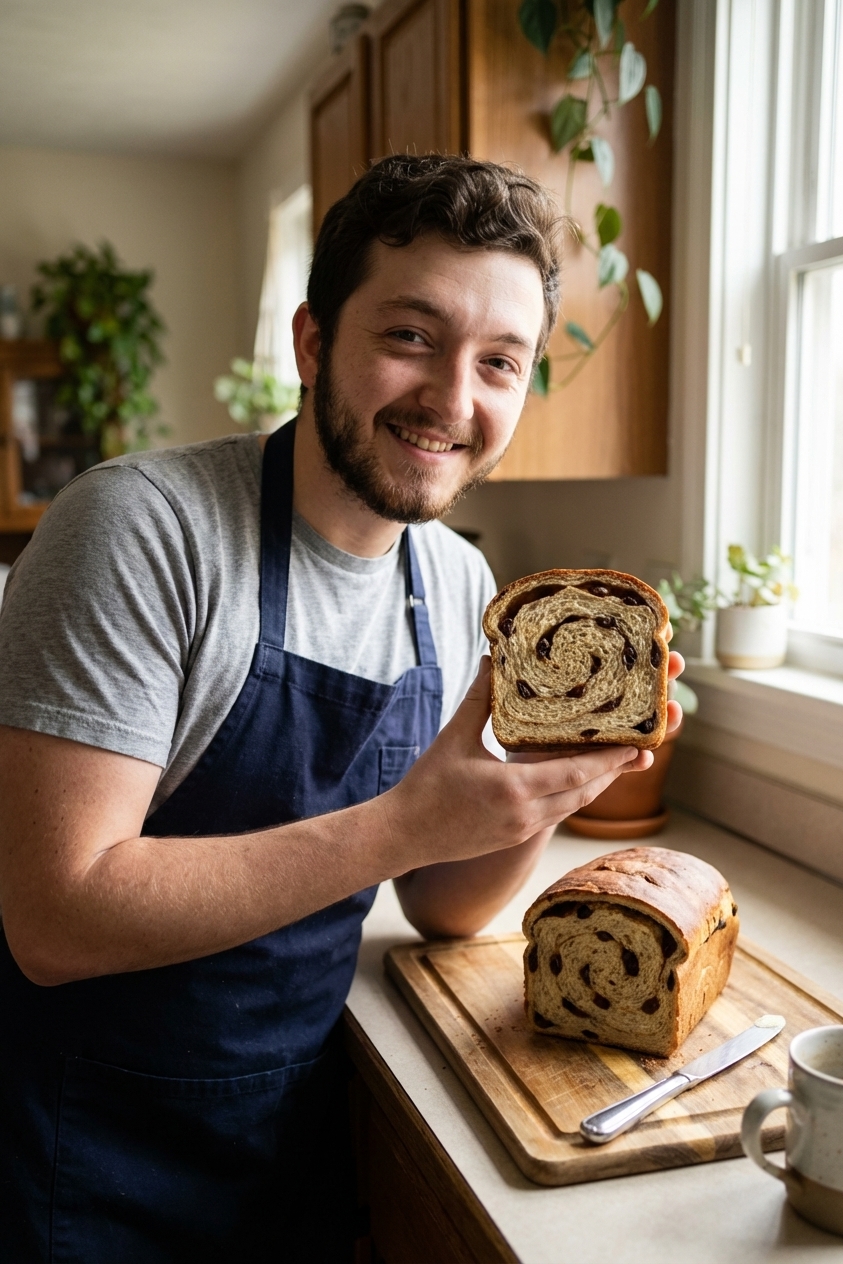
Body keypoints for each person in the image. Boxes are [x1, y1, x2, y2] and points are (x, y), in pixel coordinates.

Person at [0, 154, 683, 1262]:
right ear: (314, 343)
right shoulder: (140, 531)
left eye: (499, 362)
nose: (452, 401)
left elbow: (446, 905)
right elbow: (56, 916)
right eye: (410, 336)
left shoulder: (459, 587)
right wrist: (405, 820)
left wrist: (560, 781)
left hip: (290, 1143)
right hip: (81, 1156)